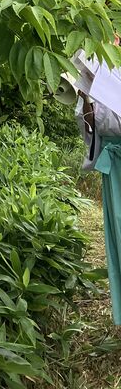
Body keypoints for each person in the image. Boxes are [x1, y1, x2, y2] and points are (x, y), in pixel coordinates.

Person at [76, 89, 121, 325]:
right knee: (119, 232)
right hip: (115, 167)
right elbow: (90, 128)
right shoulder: (100, 78)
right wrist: (86, 97)